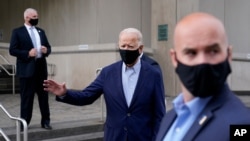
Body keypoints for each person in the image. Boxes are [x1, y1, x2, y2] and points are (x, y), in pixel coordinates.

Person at [43, 28, 166, 141]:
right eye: (123, 45)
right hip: (114, 137)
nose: (126, 49)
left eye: (131, 46)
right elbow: (86, 96)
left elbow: (159, 114)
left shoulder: (153, 74)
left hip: (143, 137)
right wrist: (65, 93)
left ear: (140, 48)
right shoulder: (108, 73)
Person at [155, 12, 250, 141]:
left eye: (213, 51)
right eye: (191, 52)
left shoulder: (241, 125)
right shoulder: (170, 118)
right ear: (174, 58)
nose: (202, 61)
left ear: (229, 55)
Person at [9, 8, 52, 130]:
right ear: (26, 17)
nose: (36, 19)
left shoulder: (41, 31)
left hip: (40, 69)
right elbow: (12, 50)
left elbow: (48, 47)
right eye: (34, 17)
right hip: (26, 70)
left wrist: (46, 50)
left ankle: (46, 121)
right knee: (27, 97)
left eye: (37, 16)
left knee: (43, 97)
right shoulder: (17, 32)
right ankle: (25, 122)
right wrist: (28, 53)